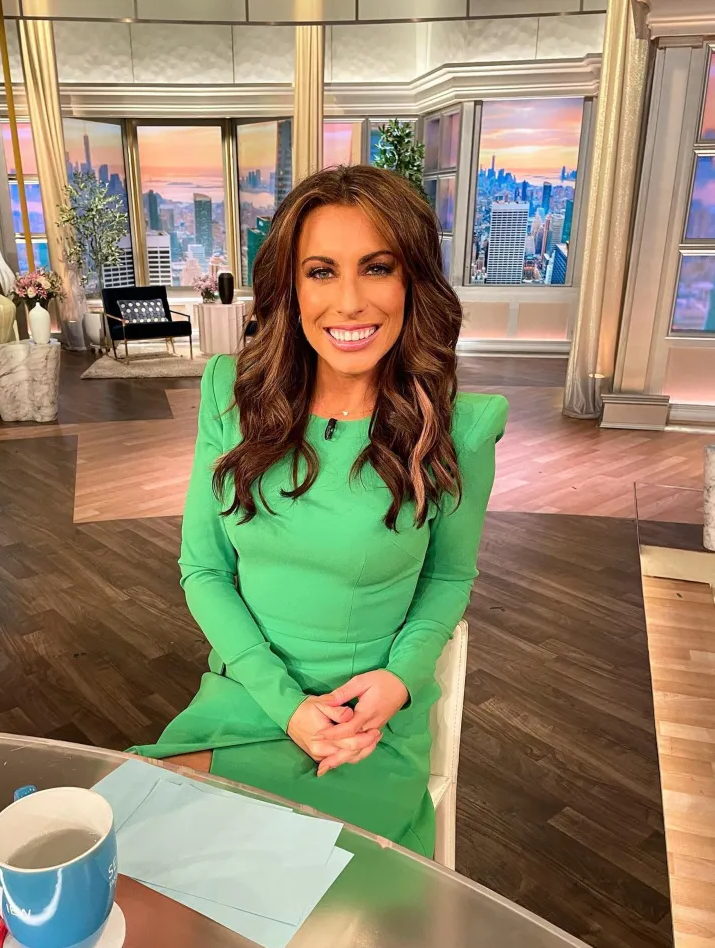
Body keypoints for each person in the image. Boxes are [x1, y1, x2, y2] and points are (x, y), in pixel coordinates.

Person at [131, 165, 508, 857]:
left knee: (307, 914)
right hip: (244, 697)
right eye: (321, 272)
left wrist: (398, 682)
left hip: (369, 722)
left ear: (411, 281)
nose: (351, 301)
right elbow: (202, 569)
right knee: (133, 843)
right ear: (290, 287)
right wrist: (286, 705)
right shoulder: (228, 395)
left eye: (377, 267)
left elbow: (449, 580)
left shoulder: (458, 429)